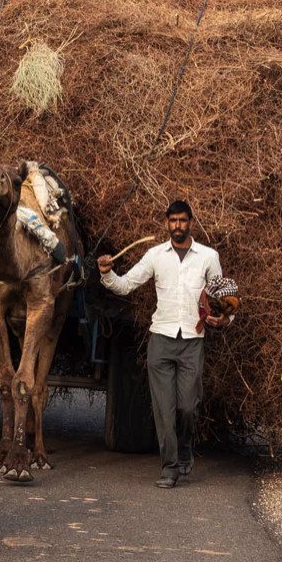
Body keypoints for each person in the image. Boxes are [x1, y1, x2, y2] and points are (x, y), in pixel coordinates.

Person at [97, 200, 234, 488]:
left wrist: (222, 320)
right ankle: (169, 467)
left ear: (191, 223)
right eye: (173, 221)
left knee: (187, 407)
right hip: (160, 339)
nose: (178, 226)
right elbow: (126, 284)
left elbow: (222, 301)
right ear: (167, 223)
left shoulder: (208, 257)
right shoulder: (156, 255)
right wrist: (107, 273)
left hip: (192, 342)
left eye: (183, 221)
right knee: (164, 409)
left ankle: (185, 450)